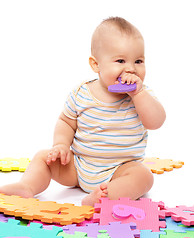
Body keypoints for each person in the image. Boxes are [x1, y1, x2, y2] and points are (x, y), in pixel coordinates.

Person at [0, 17, 166, 206]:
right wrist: (61, 145)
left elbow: (156, 122)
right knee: (42, 157)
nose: (131, 68)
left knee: (144, 176)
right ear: (96, 65)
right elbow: (65, 122)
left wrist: (139, 95)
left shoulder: (142, 95)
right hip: (78, 166)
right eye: (120, 60)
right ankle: (27, 186)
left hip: (120, 170)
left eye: (138, 61)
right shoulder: (81, 93)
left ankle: (103, 197)